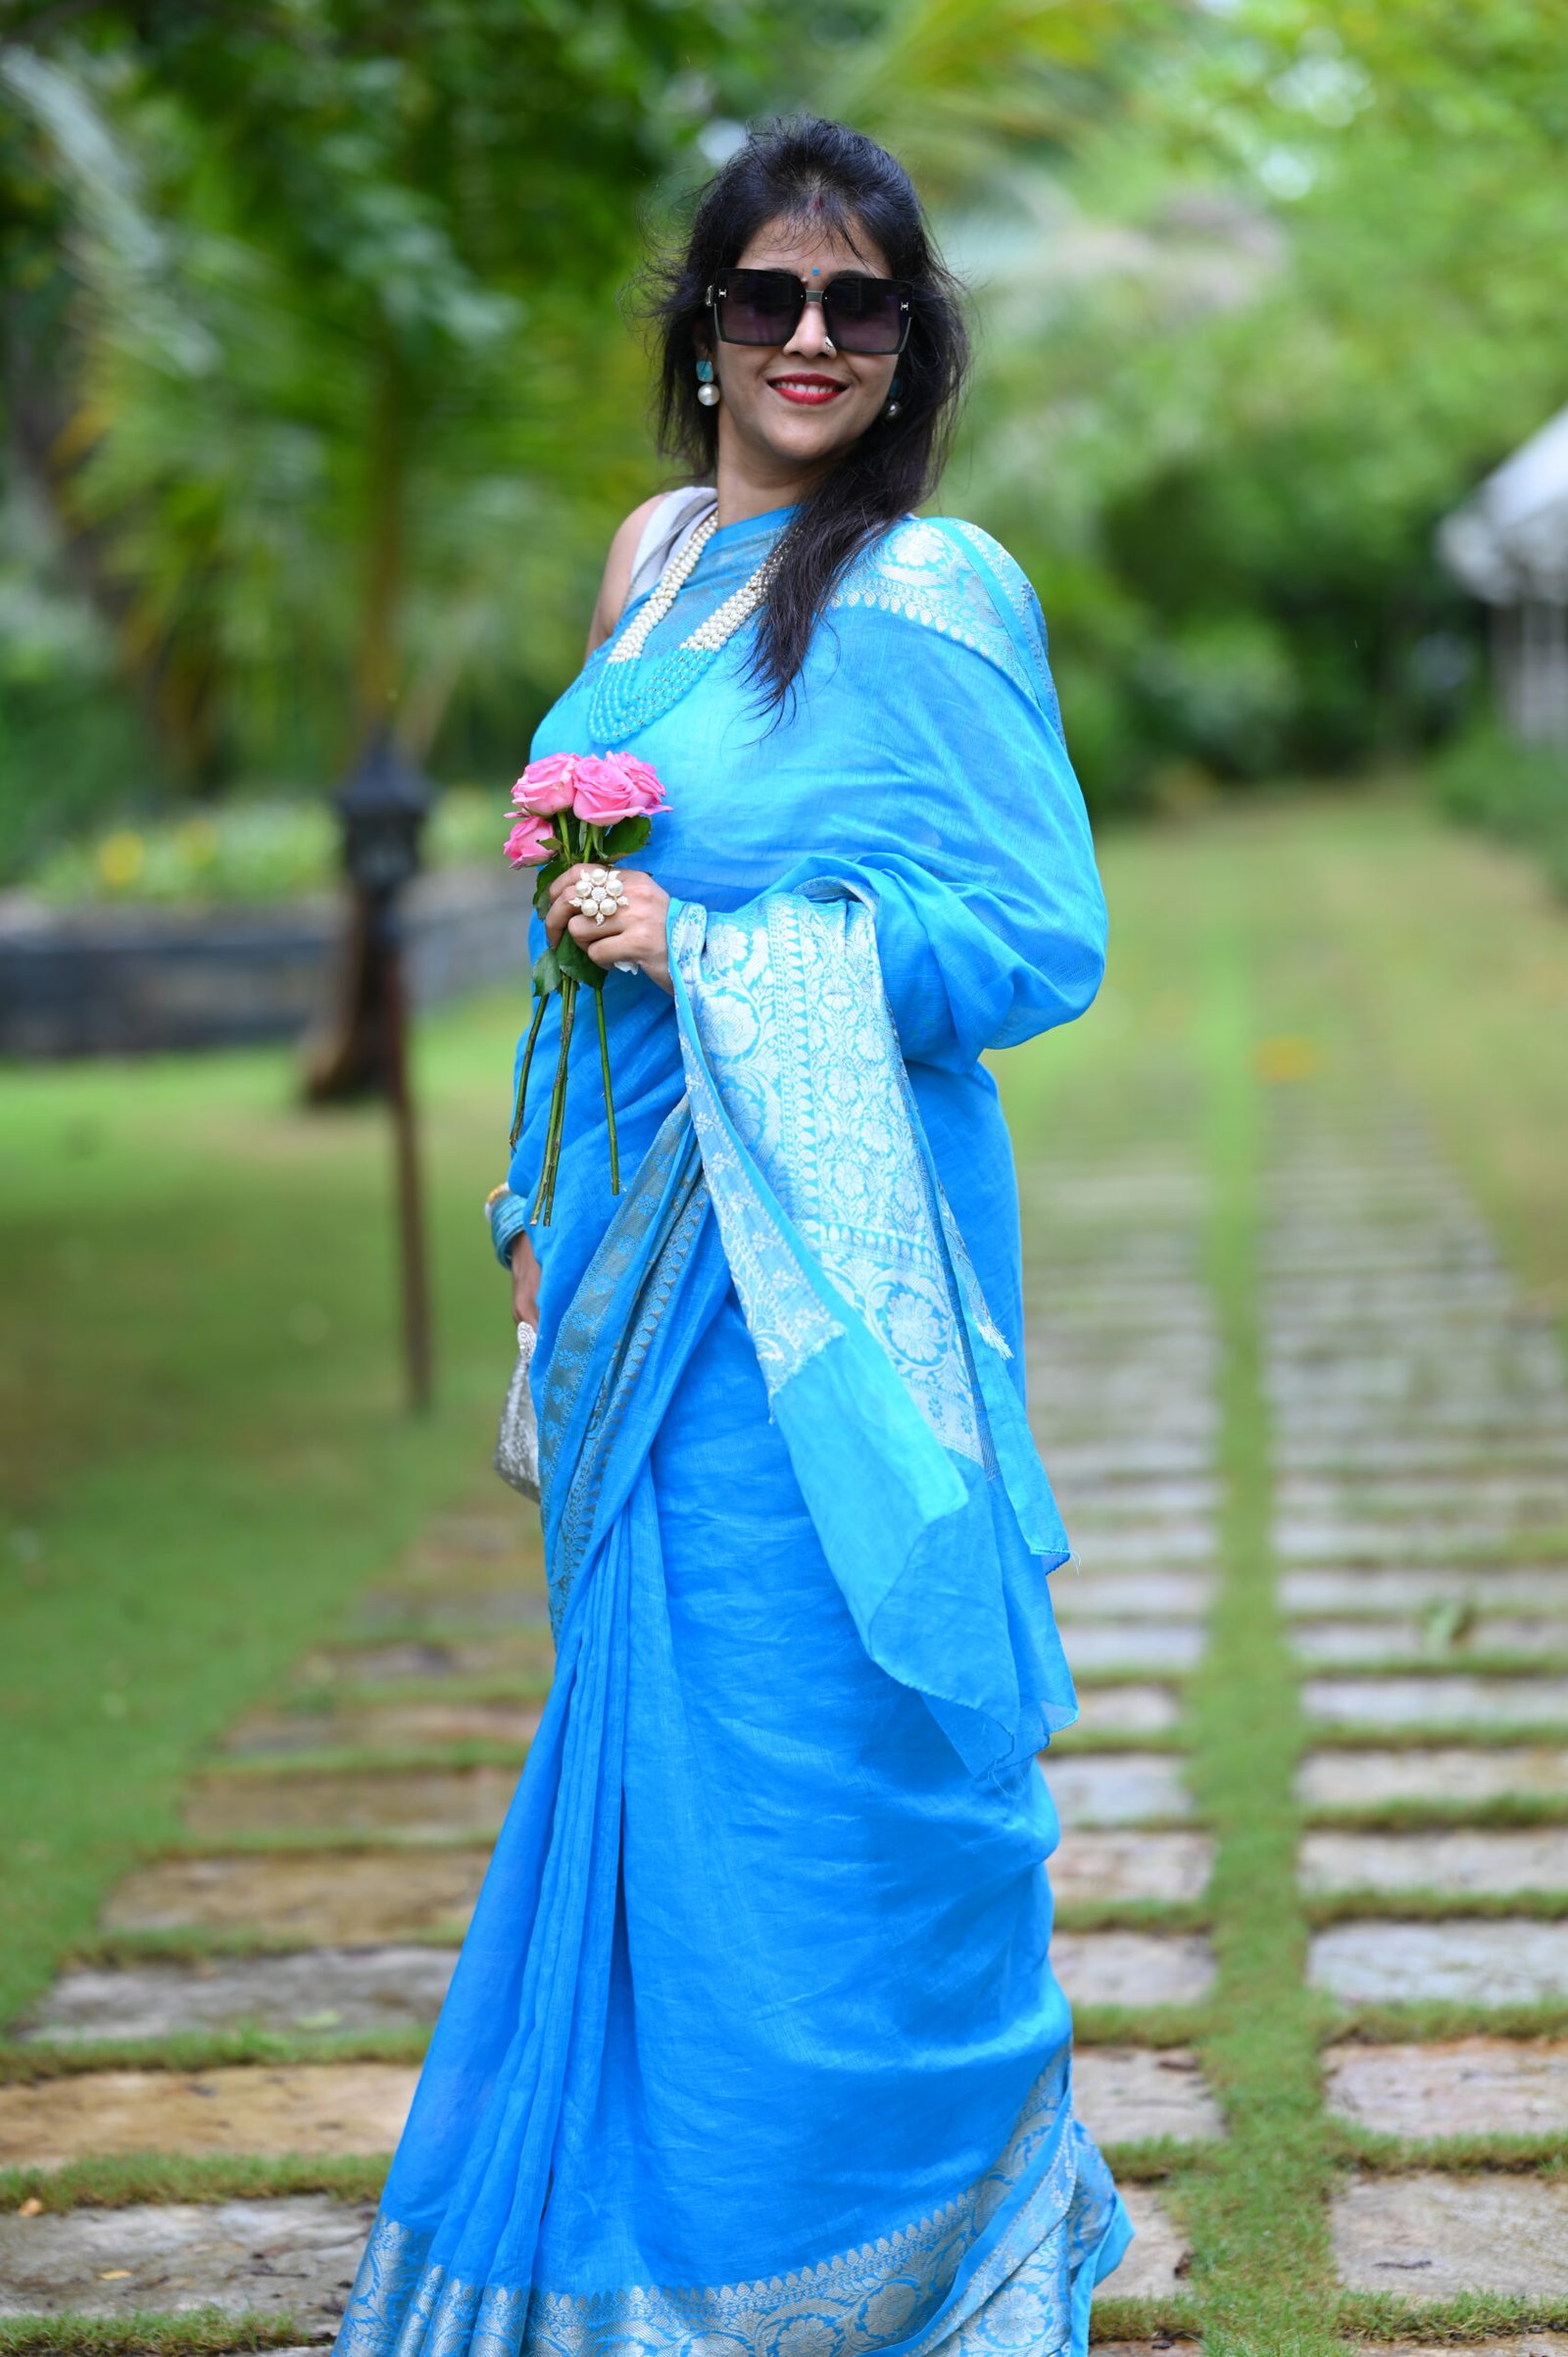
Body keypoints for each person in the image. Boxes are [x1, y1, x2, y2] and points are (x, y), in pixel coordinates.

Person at [335, 113, 1129, 2357]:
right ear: (700, 328)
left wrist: (716, 948)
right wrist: (527, 1200)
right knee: (669, 1757)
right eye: (764, 294)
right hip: (621, 1265)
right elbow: (563, 949)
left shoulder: (932, 588)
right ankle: (650, 2233)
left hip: (827, 1279)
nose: (807, 335)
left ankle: (878, 2250)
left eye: (855, 302)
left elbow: (1034, 941)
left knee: (836, 1745)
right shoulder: (654, 557)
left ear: (908, 342)